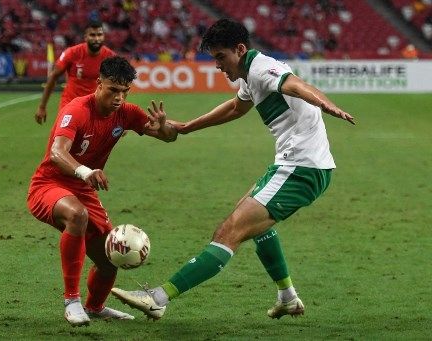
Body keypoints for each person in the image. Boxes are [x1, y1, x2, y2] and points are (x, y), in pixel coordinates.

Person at [111, 18, 355, 321]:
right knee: (256, 225)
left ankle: (158, 298)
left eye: (220, 57)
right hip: (293, 164)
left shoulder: (261, 69)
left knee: (229, 232)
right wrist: (185, 127)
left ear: (240, 49)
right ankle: (288, 297)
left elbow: (297, 85)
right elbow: (236, 107)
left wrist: (327, 105)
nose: (217, 66)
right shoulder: (248, 74)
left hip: (301, 168)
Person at [27, 56, 178, 326]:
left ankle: (95, 307)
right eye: (113, 90)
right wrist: (86, 171)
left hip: (82, 191)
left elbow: (167, 137)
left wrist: (164, 125)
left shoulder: (127, 113)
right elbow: (57, 152)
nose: (119, 97)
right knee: (78, 216)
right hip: (49, 184)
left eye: (124, 91)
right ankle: (71, 301)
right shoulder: (77, 110)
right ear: (98, 84)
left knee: (111, 255)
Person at [34, 19, 115, 124]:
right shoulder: (72, 53)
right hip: (70, 105)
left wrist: (117, 115)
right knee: (62, 139)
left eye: (99, 35)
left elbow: (116, 87)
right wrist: (42, 107)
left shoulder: (110, 57)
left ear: (103, 36)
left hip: (95, 107)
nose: (96, 39)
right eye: (92, 35)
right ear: (85, 37)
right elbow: (53, 77)